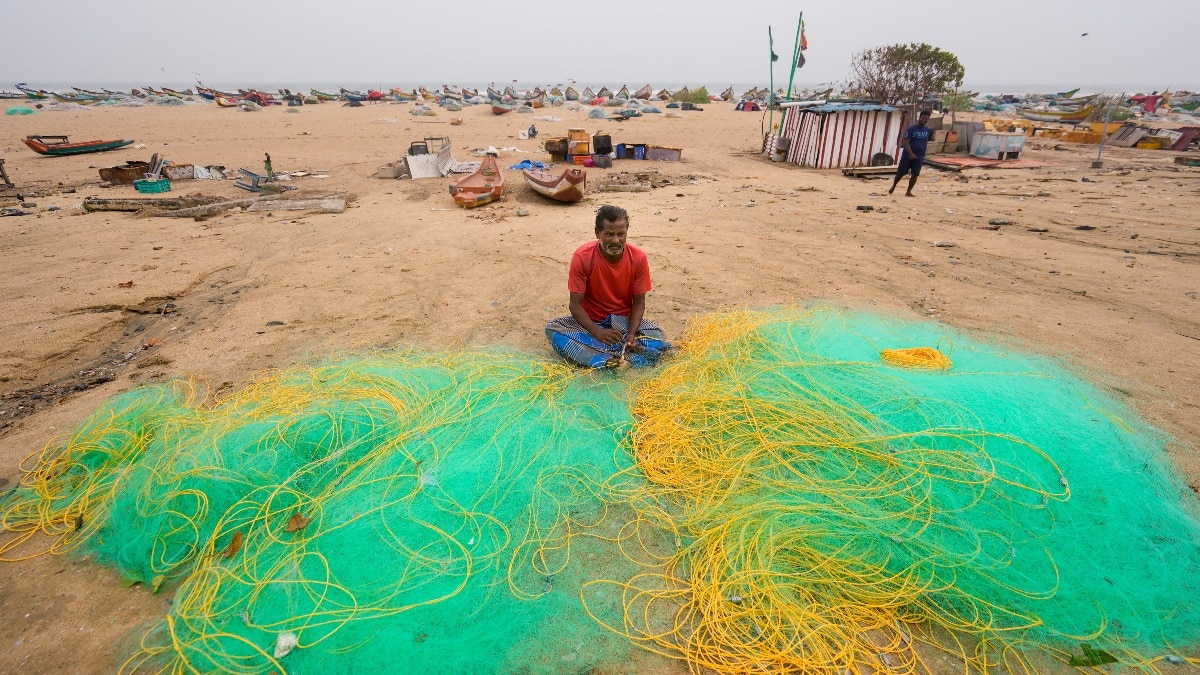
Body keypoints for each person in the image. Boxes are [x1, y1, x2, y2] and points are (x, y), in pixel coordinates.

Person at [545, 205, 671, 368]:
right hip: (591, 323)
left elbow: (639, 302)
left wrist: (631, 334)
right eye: (609, 234)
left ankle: (607, 353)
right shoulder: (583, 257)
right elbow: (575, 305)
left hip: (623, 324)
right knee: (553, 329)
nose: (616, 240)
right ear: (598, 233)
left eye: (621, 234)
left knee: (656, 334)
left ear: (627, 232)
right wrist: (597, 332)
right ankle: (611, 361)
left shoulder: (638, 258)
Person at [889, 110, 933, 197]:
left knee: (915, 174)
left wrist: (923, 154)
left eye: (926, 119)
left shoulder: (927, 130)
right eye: (923, 118)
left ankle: (908, 191)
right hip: (907, 156)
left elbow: (925, 142)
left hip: (919, 156)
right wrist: (910, 154)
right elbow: (905, 142)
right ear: (919, 118)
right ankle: (894, 186)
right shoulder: (911, 129)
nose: (924, 120)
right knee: (901, 173)